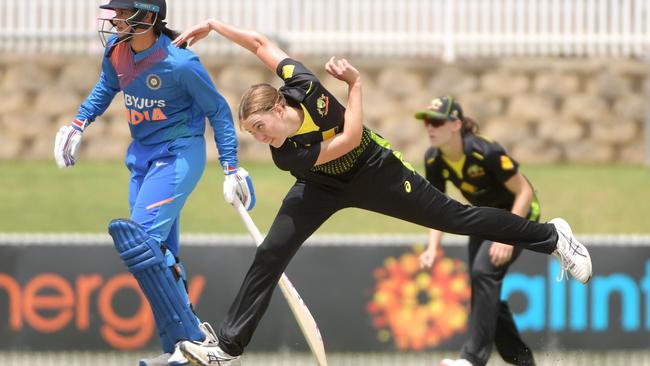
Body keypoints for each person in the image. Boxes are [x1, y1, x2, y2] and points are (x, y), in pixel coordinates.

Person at [170, 19, 592, 366]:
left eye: (259, 127)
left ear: (279, 108)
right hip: (321, 182)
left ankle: (554, 237)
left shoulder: (303, 86)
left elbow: (264, 46)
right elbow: (344, 139)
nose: (259, 138)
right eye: (251, 134)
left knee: (456, 218)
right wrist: (352, 87)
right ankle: (228, 348)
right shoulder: (287, 155)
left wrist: (213, 26)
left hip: (375, 169)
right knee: (271, 252)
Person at [53, 1, 255, 365]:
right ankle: (179, 349)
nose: (114, 19)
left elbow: (219, 112)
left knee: (141, 244)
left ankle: (195, 338)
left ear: (147, 17)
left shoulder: (180, 63)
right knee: (161, 255)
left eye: (122, 12)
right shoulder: (117, 53)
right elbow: (105, 87)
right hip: (142, 157)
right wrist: (79, 123)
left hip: (179, 154)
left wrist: (231, 167)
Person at [416, 96, 538, 366]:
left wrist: (508, 235)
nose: (429, 127)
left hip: (519, 216)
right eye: (426, 121)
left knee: (484, 272)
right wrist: (433, 246)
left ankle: (472, 359)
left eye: (436, 121)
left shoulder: (486, 151)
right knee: (483, 287)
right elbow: (436, 208)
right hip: (484, 220)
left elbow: (524, 192)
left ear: (456, 124)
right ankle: (522, 361)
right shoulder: (434, 158)